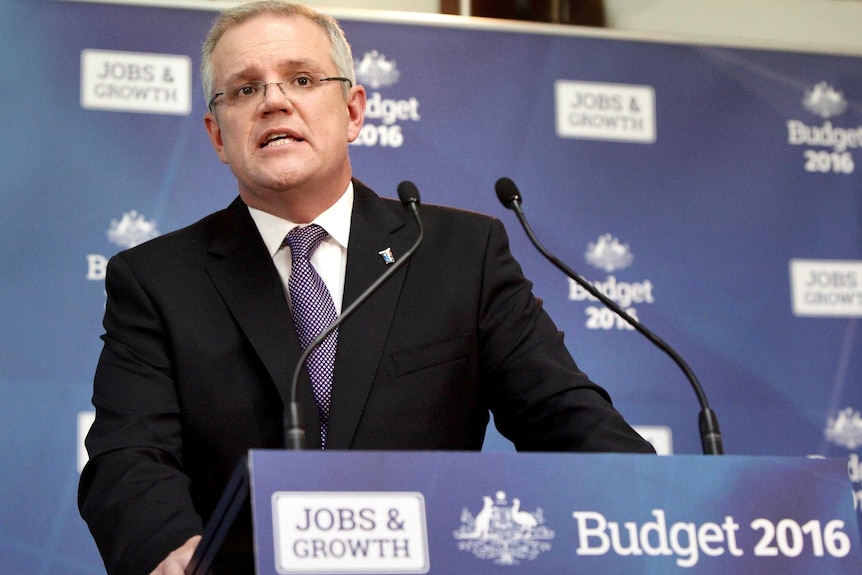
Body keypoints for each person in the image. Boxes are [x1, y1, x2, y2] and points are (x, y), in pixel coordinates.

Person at [78, 2, 655, 574]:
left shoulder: (458, 253)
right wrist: (169, 550)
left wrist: (652, 508)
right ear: (217, 136)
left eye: (301, 79)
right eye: (245, 90)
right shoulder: (156, 279)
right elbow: (128, 457)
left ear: (353, 110)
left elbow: (566, 418)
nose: (275, 100)